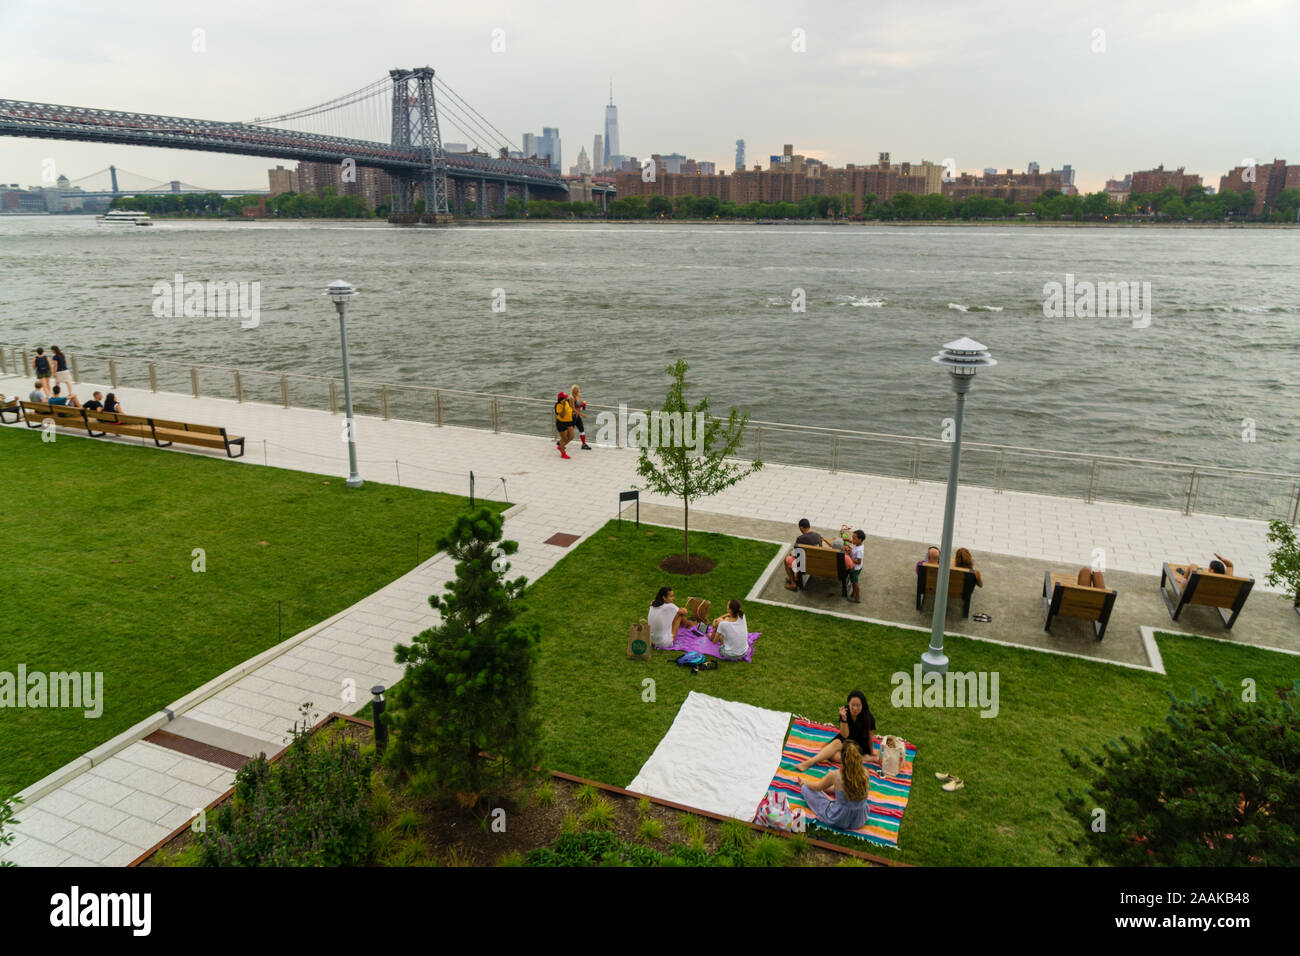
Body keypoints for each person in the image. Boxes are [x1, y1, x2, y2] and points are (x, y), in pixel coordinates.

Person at [794, 690, 878, 772]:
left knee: (832, 755)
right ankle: (810, 762)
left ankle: (809, 762)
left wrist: (870, 752)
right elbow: (844, 735)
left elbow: (870, 737)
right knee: (834, 749)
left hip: (859, 744)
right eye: (853, 705)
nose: (855, 708)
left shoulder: (868, 717)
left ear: (862, 705)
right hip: (846, 739)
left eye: (858, 705)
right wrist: (844, 719)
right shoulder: (845, 711)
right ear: (848, 703)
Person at [800, 740, 871, 831]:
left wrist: (804, 782)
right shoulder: (865, 772)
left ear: (842, 757)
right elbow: (848, 787)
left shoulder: (835, 775)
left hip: (839, 818)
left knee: (806, 789)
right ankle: (831, 798)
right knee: (842, 790)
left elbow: (817, 787)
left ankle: (830, 800)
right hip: (859, 819)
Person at [784, 518, 838, 591]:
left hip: (804, 566)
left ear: (801, 528)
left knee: (787, 559)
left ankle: (793, 583)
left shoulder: (800, 539)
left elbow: (796, 554)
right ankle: (795, 578)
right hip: (817, 564)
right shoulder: (818, 535)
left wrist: (791, 554)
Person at [840, 529, 866, 602]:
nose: (852, 539)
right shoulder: (856, 543)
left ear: (860, 539)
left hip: (855, 568)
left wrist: (849, 557)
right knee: (853, 581)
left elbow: (858, 561)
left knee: (855, 583)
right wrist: (844, 539)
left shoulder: (860, 550)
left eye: (854, 538)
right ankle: (853, 594)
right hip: (854, 566)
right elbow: (850, 541)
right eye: (852, 537)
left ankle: (857, 598)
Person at [569, 384, 592, 450]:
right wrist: (582, 415)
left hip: (577, 416)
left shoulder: (578, 396)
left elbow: (579, 405)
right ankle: (562, 442)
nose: (577, 390)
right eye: (575, 389)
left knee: (581, 429)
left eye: (578, 389)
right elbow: (573, 408)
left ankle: (583, 444)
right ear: (573, 390)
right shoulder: (571, 397)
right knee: (570, 431)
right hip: (572, 416)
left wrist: (583, 405)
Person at [554, 391, 575, 459]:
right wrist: (563, 406)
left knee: (571, 436)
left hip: (569, 422)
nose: (566, 399)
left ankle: (561, 446)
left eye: (566, 397)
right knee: (564, 438)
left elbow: (570, 409)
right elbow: (562, 415)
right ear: (561, 399)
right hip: (561, 423)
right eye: (565, 398)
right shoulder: (558, 405)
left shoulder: (567, 402)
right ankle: (563, 454)